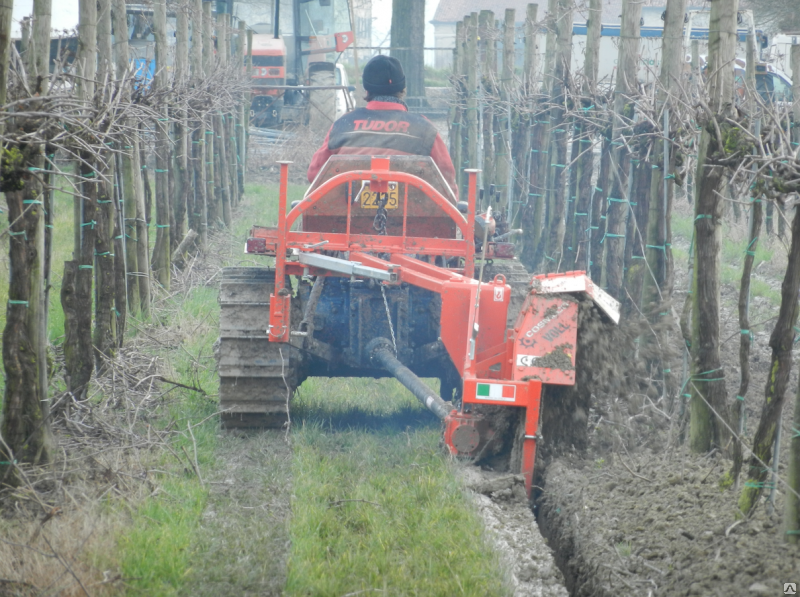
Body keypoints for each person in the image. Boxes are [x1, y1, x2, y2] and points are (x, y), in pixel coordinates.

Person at [307, 55, 458, 197]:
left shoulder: (342, 125)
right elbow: (446, 181)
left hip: (346, 220)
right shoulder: (425, 129)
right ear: (402, 89)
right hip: (410, 222)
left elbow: (315, 174)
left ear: (367, 89)